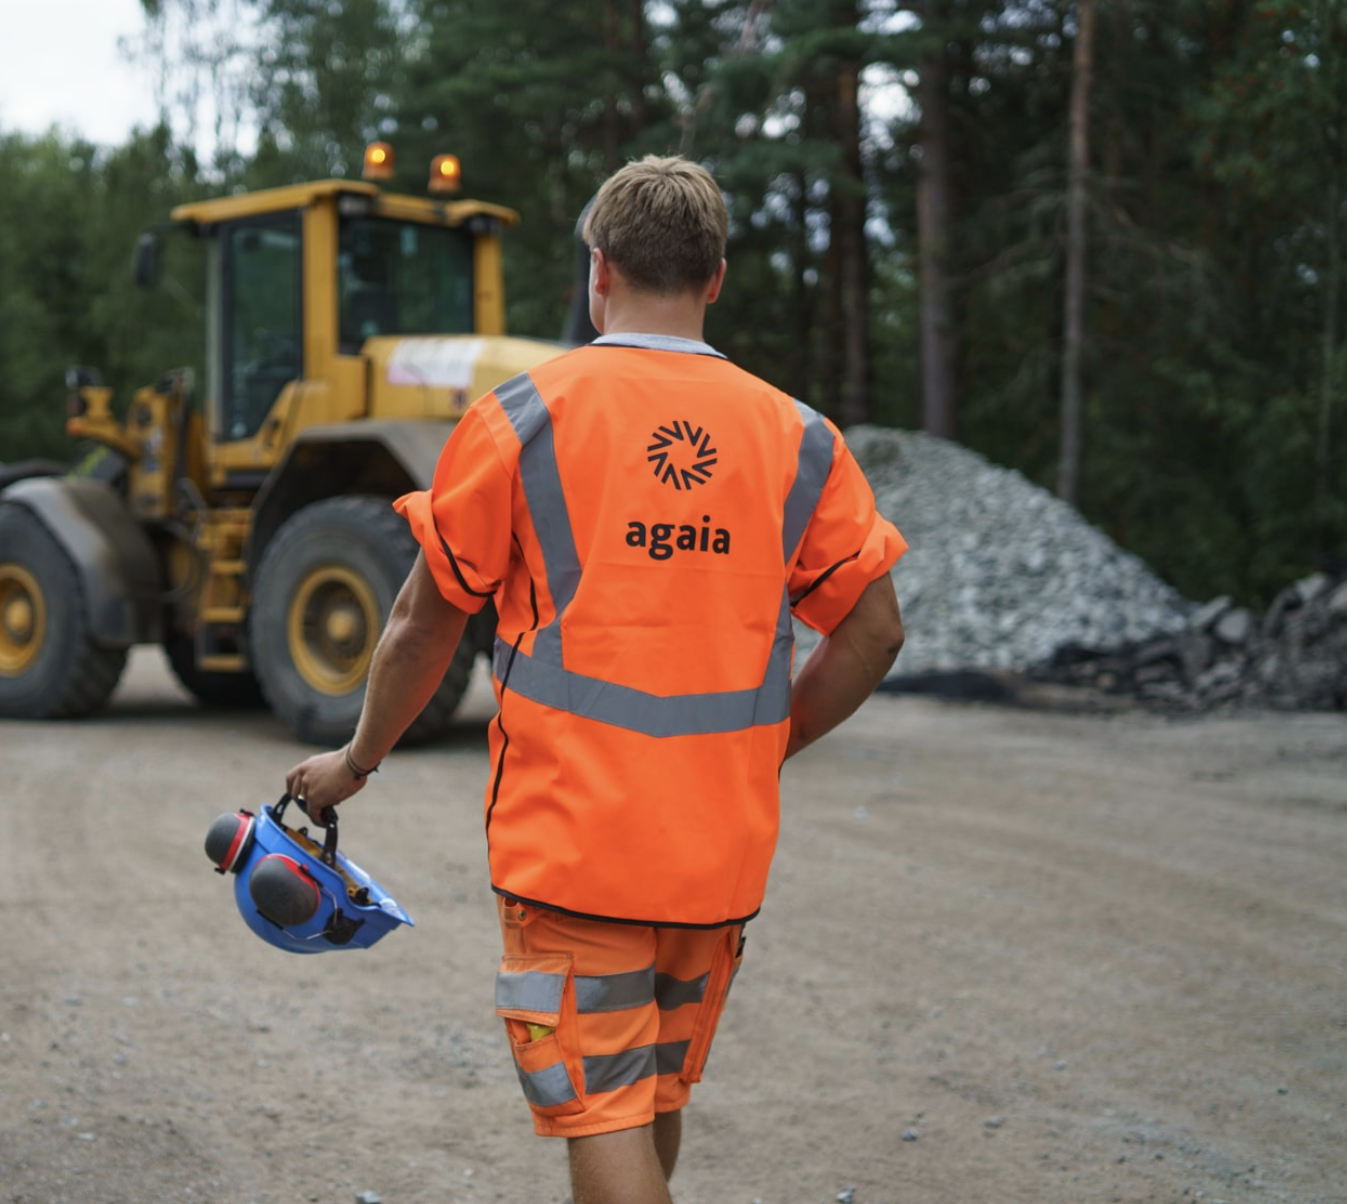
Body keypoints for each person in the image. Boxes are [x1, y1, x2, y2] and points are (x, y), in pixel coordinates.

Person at [284, 155, 907, 1204]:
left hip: (577, 849)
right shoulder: (799, 438)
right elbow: (875, 633)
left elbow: (419, 624)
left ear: (598, 269)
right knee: (650, 1094)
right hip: (717, 848)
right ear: (715, 278)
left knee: (603, 1106)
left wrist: (357, 759)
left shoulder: (523, 417)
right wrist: (768, 744)